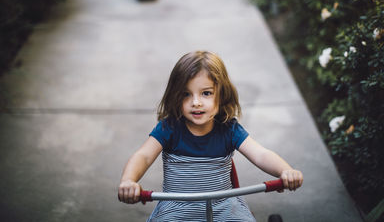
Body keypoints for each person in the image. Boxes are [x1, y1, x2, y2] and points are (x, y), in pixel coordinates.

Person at [118, 51, 303, 221]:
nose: (196, 102)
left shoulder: (229, 129)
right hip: (176, 207)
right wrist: (129, 180)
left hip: (223, 206)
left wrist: (284, 171)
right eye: (186, 95)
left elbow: (261, 154)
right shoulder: (169, 128)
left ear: (221, 96)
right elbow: (144, 156)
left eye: (206, 93)